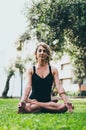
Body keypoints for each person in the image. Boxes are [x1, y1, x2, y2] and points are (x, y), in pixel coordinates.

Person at [18, 42, 74, 114]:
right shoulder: (31, 69)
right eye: (40, 50)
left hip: (46, 101)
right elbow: (28, 86)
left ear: (47, 54)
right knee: (32, 107)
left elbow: (59, 86)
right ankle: (44, 107)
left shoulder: (53, 70)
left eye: (44, 51)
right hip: (36, 102)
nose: (42, 53)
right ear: (36, 54)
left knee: (63, 107)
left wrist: (67, 101)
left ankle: (39, 106)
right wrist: (23, 101)